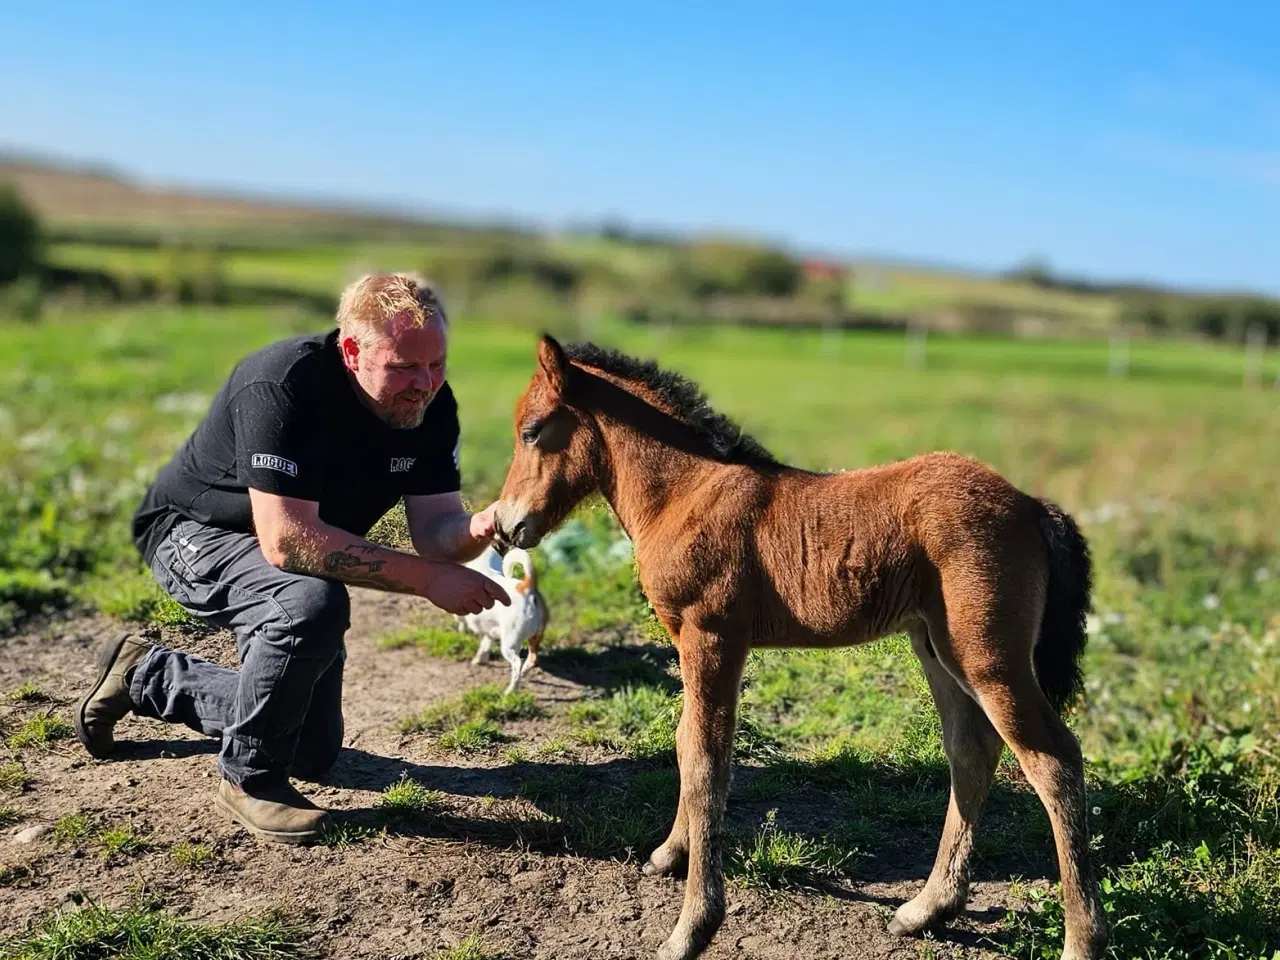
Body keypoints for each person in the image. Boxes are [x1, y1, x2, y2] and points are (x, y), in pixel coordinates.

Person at [74, 272, 510, 845]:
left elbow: (436, 531)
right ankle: (248, 779)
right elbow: (287, 541)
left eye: (437, 365)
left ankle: (144, 675)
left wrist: (486, 524)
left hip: (288, 546)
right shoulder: (284, 383)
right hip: (192, 533)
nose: (424, 384)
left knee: (311, 746)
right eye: (404, 367)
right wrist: (429, 580)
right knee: (310, 601)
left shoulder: (429, 406)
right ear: (353, 351)